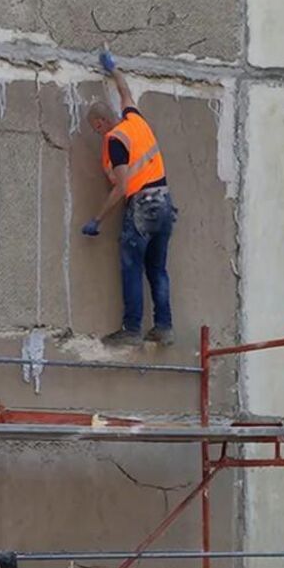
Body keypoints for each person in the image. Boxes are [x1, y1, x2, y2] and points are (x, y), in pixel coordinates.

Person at [82, 49, 176, 347]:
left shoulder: (115, 141)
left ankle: (132, 329)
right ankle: (164, 327)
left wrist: (97, 219)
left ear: (100, 123)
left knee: (132, 266)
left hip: (143, 206)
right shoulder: (134, 119)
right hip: (165, 203)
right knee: (157, 268)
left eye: (95, 129)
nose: (97, 133)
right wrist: (113, 69)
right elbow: (124, 91)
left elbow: (122, 187)